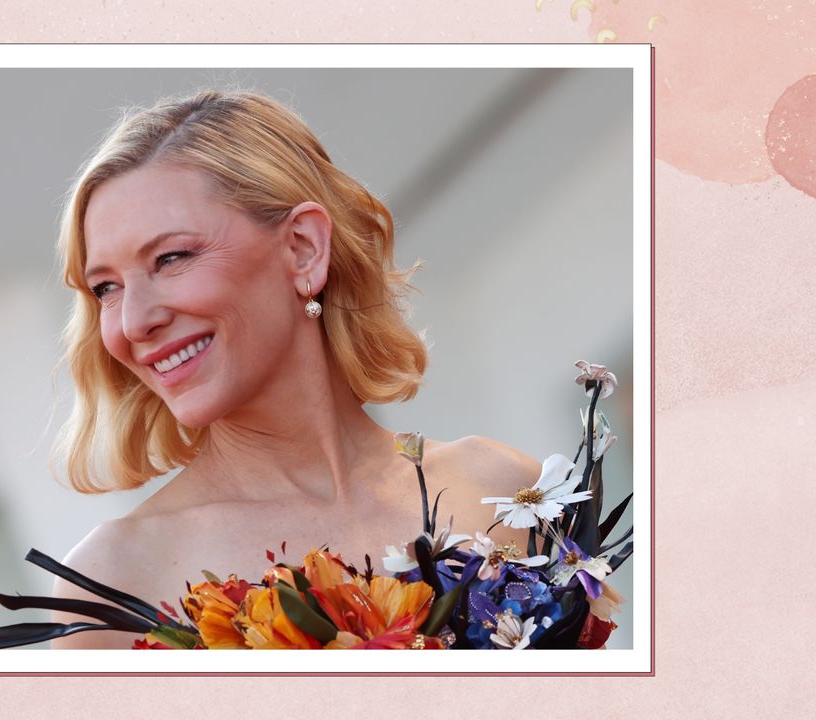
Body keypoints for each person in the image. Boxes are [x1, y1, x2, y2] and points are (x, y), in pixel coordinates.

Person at [48, 90, 541, 649]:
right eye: (106, 288)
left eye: (172, 258)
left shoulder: (500, 488)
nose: (134, 322)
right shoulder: (112, 587)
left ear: (303, 249)